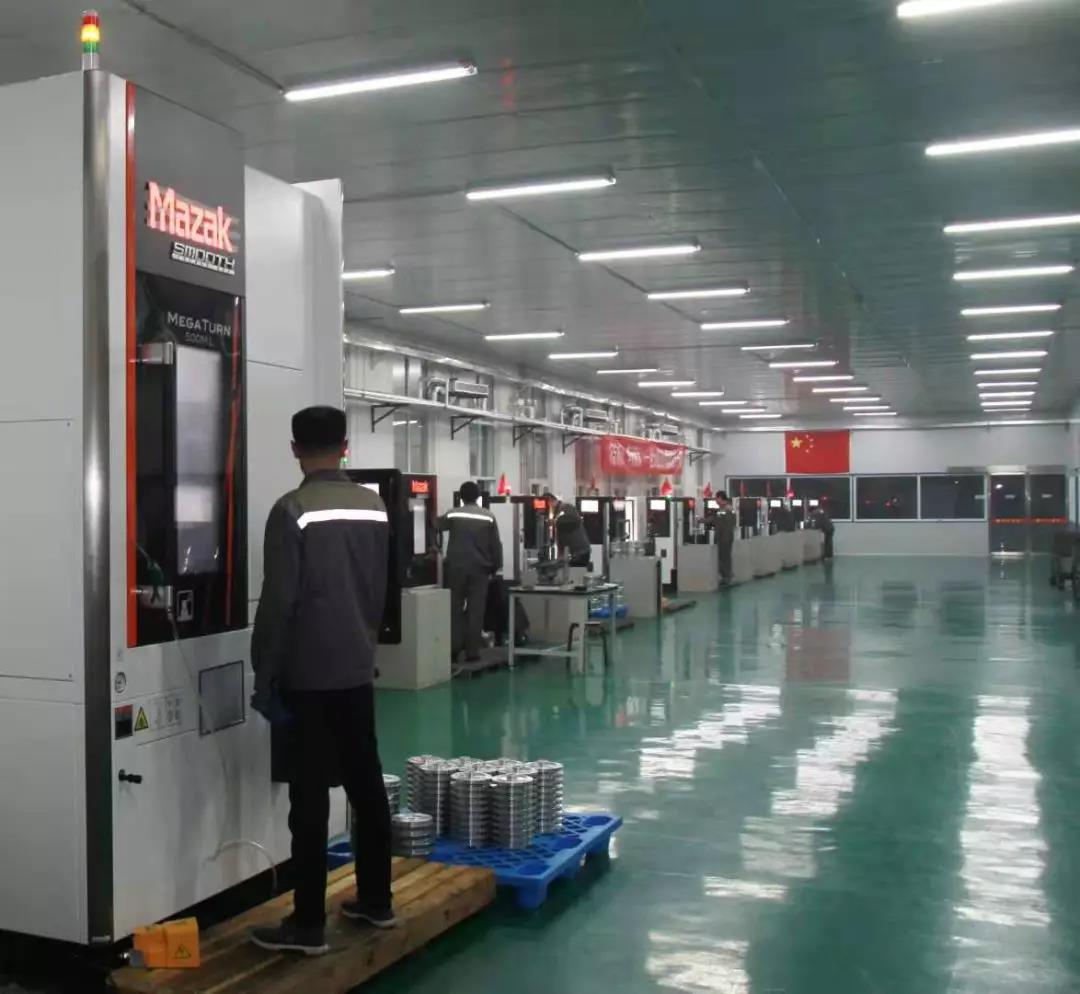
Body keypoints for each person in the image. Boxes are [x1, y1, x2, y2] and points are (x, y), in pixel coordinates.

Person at [249, 406, 394, 956]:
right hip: (356, 669)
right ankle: (376, 900)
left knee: (307, 798)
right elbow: (382, 586)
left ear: (294, 449)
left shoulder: (292, 510)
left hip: (307, 676)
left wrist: (265, 676)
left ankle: (308, 924)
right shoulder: (374, 507)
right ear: (345, 446)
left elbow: (279, 603)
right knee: (366, 784)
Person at [437, 481, 503, 662]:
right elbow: (495, 545)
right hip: (480, 570)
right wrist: (495, 567)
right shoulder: (488, 516)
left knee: (454, 609)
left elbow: (435, 524)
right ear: (478, 496)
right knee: (476, 610)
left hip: (456, 568)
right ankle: (473, 652)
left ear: (461, 496)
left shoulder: (453, 513)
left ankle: (453, 650)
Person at [544, 492, 591, 567]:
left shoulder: (567, 508)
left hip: (580, 553)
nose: (549, 508)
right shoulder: (557, 514)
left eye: (548, 504)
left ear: (552, 501)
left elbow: (574, 520)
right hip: (573, 553)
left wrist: (555, 521)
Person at [715, 491, 736, 586]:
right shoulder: (722, 509)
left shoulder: (728, 509)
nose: (715, 500)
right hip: (722, 538)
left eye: (716, 498)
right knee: (722, 558)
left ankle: (728, 577)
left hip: (725, 538)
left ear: (720, 498)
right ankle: (725, 577)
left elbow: (729, 525)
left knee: (725, 558)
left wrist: (724, 538)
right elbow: (716, 519)